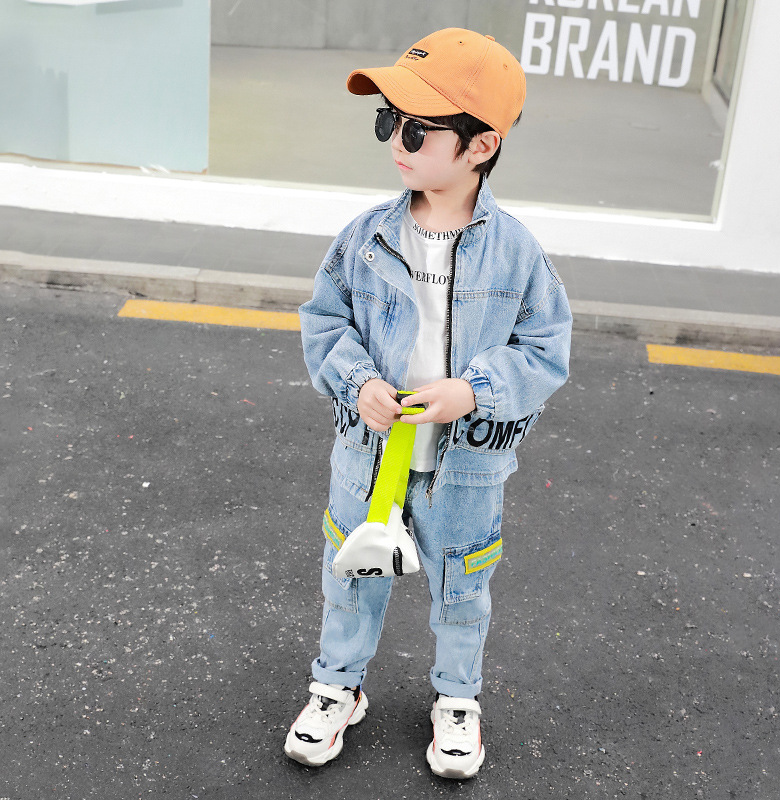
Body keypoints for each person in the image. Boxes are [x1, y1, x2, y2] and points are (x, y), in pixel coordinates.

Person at [286, 27, 572, 779]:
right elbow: (324, 319)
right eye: (388, 121)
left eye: (417, 129)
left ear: (481, 146)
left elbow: (546, 350)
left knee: (462, 588)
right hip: (368, 455)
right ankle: (336, 687)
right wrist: (357, 383)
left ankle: (457, 699)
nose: (396, 141)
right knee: (349, 579)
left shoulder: (517, 254)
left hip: (464, 468)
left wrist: (472, 391)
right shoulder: (366, 237)